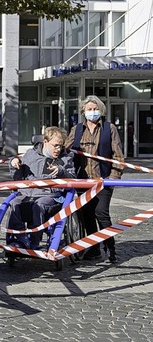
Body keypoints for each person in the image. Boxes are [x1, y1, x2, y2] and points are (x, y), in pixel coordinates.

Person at [66, 95, 124, 263]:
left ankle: (110, 247)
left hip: (103, 181)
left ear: (101, 110)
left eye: (95, 109)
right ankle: (94, 248)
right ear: (83, 111)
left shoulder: (109, 128)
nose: (93, 112)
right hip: (83, 181)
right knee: (87, 215)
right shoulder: (77, 129)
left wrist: (113, 178)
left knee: (101, 213)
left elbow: (118, 156)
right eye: (89, 109)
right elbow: (65, 149)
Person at [6, 127, 76, 249]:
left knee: (39, 205)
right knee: (13, 203)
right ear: (45, 142)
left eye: (60, 146)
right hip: (27, 193)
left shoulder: (65, 158)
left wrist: (61, 171)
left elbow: (73, 178)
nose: (58, 149)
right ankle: (19, 237)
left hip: (51, 196)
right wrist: (14, 163)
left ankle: (34, 241)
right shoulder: (30, 154)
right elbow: (17, 177)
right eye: (55, 145)